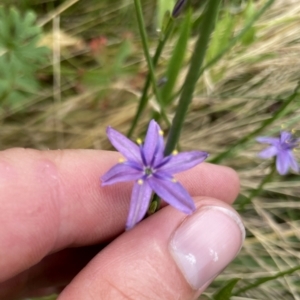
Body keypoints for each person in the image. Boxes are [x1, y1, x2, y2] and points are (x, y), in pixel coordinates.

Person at [0, 148, 244, 299]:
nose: (149, 169)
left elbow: (187, 197)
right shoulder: (140, 176)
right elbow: (110, 178)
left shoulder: (158, 176)